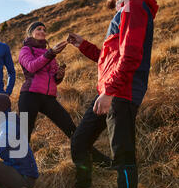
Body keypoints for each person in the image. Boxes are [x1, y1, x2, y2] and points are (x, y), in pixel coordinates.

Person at [67, 0, 158, 188]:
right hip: (110, 90)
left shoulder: (135, 7)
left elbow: (131, 57)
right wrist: (83, 45)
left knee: (124, 155)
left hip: (121, 93)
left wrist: (110, 92)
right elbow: (110, 59)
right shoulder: (125, 11)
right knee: (80, 141)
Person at [18, 21, 111, 166]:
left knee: (72, 130)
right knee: (23, 135)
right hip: (29, 96)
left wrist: (59, 76)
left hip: (48, 97)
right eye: (38, 29)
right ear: (30, 33)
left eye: (44, 29)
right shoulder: (25, 49)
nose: (42, 31)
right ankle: (18, 171)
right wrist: (51, 53)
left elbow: (53, 80)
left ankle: (98, 160)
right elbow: (31, 67)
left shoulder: (48, 51)